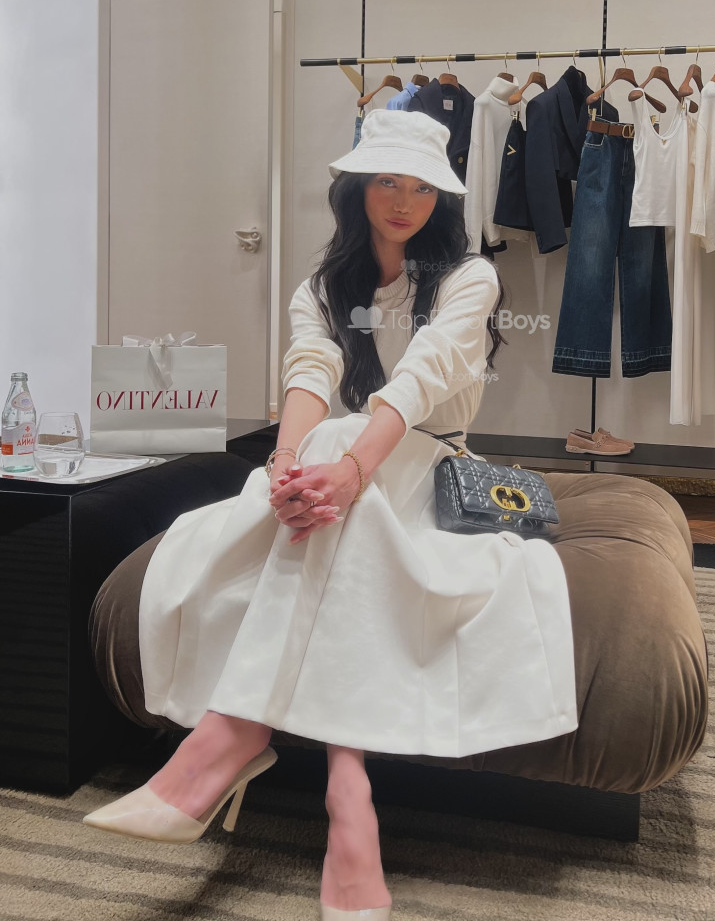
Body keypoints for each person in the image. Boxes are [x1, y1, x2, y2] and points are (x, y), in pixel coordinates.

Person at [83, 109, 578, 920]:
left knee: (347, 452)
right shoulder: (320, 286)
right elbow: (310, 371)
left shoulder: (468, 277)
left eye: (422, 188)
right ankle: (349, 800)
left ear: (443, 200)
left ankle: (232, 740)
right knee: (329, 473)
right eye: (387, 181)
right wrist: (285, 466)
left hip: (429, 465)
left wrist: (349, 469)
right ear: (355, 189)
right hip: (336, 475)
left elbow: (419, 379)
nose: (404, 201)